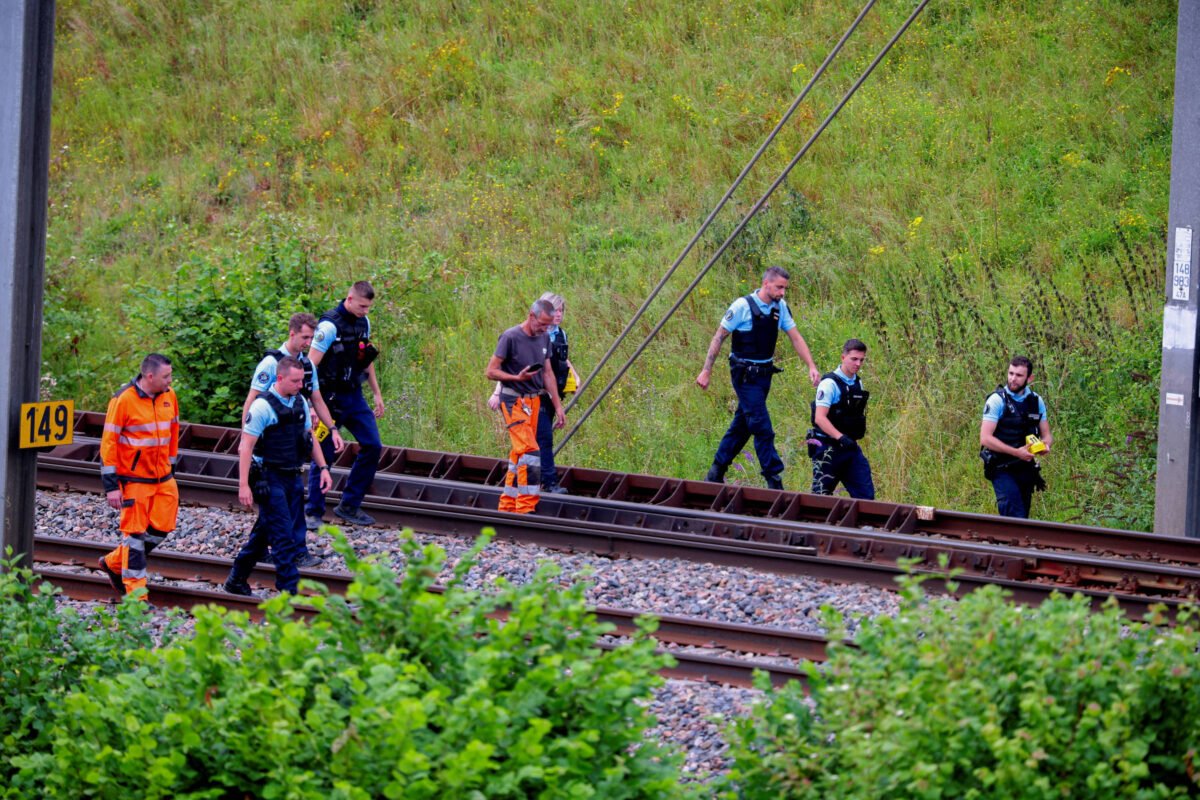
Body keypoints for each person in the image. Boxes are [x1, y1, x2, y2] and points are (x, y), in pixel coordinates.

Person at [696, 266, 821, 490]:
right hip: (744, 375)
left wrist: (811, 365)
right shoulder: (742, 306)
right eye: (779, 287)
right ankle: (774, 482)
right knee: (762, 427)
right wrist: (707, 370)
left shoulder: (780, 308)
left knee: (742, 426)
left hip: (764, 376)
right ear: (766, 284)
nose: (783, 292)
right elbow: (719, 337)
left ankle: (715, 473)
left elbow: (795, 337)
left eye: (785, 288)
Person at [243, 312, 344, 567]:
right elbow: (252, 401)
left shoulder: (307, 366)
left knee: (276, 508)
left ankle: (258, 551)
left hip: (290, 448)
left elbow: (317, 398)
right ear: (292, 333)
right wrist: (248, 441)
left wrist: (332, 428)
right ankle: (291, 552)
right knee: (281, 506)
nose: (309, 343)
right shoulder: (271, 364)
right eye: (304, 337)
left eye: (311, 338)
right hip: (267, 452)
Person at [225, 358, 333, 596]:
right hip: (268, 477)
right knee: (284, 536)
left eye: (302, 380)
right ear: (280, 378)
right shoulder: (262, 407)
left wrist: (323, 468)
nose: (300, 384)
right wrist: (243, 485)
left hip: (292, 476)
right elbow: (246, 447)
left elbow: (309, 438)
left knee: (265, 531)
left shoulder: (300, 402)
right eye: (295, 381)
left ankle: (236, 578)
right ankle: (289, 591)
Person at [96, 354, 179, 600]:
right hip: (134, 481)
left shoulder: (169, 396)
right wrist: (112, 486)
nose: (170, 380)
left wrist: (170, 468)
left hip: (163, 478)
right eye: (166, 376)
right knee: (134, 539)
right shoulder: (123, 400)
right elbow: (108, 444)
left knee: (162, 527)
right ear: (150, 376)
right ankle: (136, 598)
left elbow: (173, 433)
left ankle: (113, 563)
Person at [306, 281, 385, 528]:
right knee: (324, 454)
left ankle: (349, 505)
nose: (365, 311)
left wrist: (376, 393)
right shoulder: (328, 327)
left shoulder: (364, 322)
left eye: (369, 307)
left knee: (373, 445)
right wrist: (310, 404)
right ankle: (313, 512)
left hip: (354, 395)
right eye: (362, 306)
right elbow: (310, 366)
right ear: (349, 299)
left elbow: (365, 357)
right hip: (327, 400)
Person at [488, 292, 580, 494]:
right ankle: (526, 496)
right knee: (528, 449)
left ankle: (543, 486)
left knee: (543, 440)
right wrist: (514, 379)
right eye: (542, 324)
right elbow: (491, 371)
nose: (546, 329)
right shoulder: (510, 337)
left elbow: (548, 374)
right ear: (531, 316)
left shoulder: (545, 337)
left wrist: (558, 406)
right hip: (513, 400)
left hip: (537, 400)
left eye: (548, 326)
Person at [980, 355, 1052, 518]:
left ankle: (1009, 543)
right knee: (1015, 516)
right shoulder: (997, 400)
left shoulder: (1036, 401)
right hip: (1001, 468)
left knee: (1023, 518)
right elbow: (985, 438)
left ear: (1030, 378)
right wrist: (1016, 452)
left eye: (1019, 375)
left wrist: (1045, 446)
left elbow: (1047, 435)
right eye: (1011, 373)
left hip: (1026, 468)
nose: (1013, 379)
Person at [808, 339, 875, 499]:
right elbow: (820, 418)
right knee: (820, 499)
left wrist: (848, 440)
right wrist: (841, 437)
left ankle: (863, 524)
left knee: (866, 497)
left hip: (850, 448)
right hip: (828, 448)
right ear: (843, 357)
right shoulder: (829, 384)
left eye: (862, 360)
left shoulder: (857, 382)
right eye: (854, 359)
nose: (858, 363)